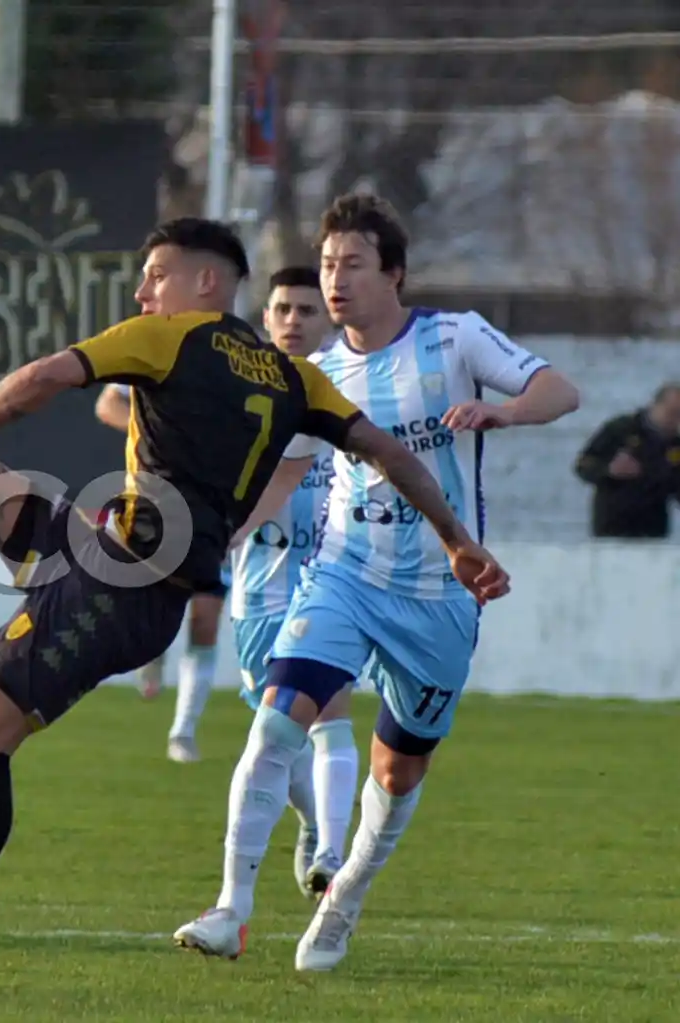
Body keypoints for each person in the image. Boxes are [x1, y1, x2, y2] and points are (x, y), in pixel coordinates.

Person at [0, 216, 510, 995]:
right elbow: (392, 453)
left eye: (155, 275)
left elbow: (43, 376)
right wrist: (453, 537)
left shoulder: (168, 338)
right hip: (115, 559)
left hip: (120, 586)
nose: (142, 292)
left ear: (206, 281)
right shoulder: (293, 377)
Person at [174, 193, 578, 973]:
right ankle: (232, 906)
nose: (336, 279)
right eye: (327, 264)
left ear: (394, 272)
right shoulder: (316, 375)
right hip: (343, 575)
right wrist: (214, 539)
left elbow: (562, 390)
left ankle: (345, 895)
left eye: (352, 264)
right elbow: (283, 478)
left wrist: (506, 415)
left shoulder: (455, 337)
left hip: (440, 596)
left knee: (397, 769)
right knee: (276, 718)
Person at [223, 264, 356, 899]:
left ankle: (332, 851)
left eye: (308, 310)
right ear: (267, 317)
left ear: (328, 320)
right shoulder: (241, 389)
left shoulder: (348, 385)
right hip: (260, 591)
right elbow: (117, 400)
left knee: (331, 715)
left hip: (332, 583)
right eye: (284, 309)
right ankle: (312, 821)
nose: (295, 321)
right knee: (274, 732)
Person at [95, 384, 231, 761]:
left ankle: (183, 731)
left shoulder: (241, 360)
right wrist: (159, 435)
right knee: (156, 609)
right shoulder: (161, 349)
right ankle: (153, 654)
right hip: (158, 510)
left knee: (205, 620)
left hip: (214, 511)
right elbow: (107, 403)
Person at [573, 382, 680, 538]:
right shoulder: (620, 430)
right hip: (612, 527)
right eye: (672, 413)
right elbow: (582, 466)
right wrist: (609, 470)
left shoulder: (675, 444)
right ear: (655, 406)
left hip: (653, 530)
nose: (675, 421)